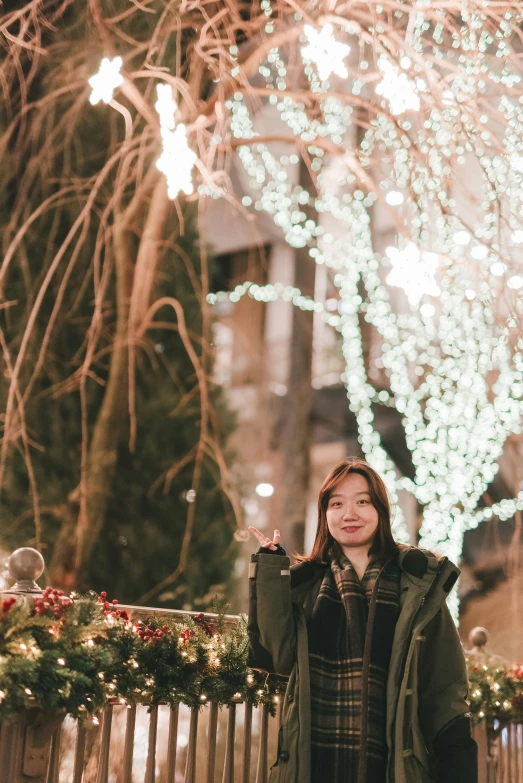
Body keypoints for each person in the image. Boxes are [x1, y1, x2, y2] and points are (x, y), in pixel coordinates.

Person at [247, 457, 478, 783]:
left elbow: (444, 688)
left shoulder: (417, 586)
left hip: (393, 768)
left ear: (381, 512)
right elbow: (275, 656)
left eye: (362, 502)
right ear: (324, 514)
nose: (349, 514)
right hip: (313, 766)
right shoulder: (306, 587)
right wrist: (271, 569)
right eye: (337, 503)